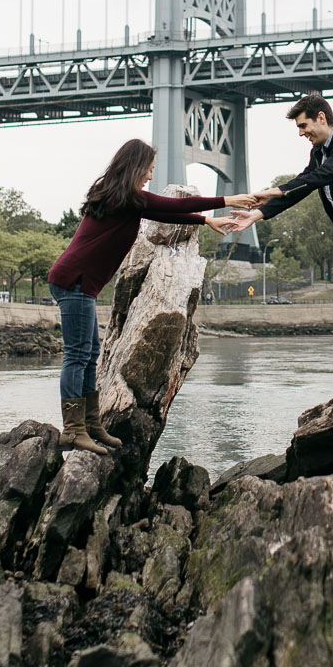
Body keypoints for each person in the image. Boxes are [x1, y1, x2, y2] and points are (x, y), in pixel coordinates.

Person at [47, 139, 240, 453]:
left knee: (89, 355)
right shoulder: (121, 198)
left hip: (79, 284)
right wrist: (227, 199)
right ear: (136, 166)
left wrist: (206, 220)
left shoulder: (120, 197)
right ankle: (72, 430)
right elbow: (173, 206)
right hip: (74, 282)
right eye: (149, 169)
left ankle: (91, 425)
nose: (150, 176)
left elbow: (165, 213)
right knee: (77, 356)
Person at [228, 93, 333, 386]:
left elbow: (323, 176)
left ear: (321, 117)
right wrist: (257, 214)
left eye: (303, 125)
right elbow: (304, 186)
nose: (301, 133)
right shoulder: (319, 152)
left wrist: (275, 189)